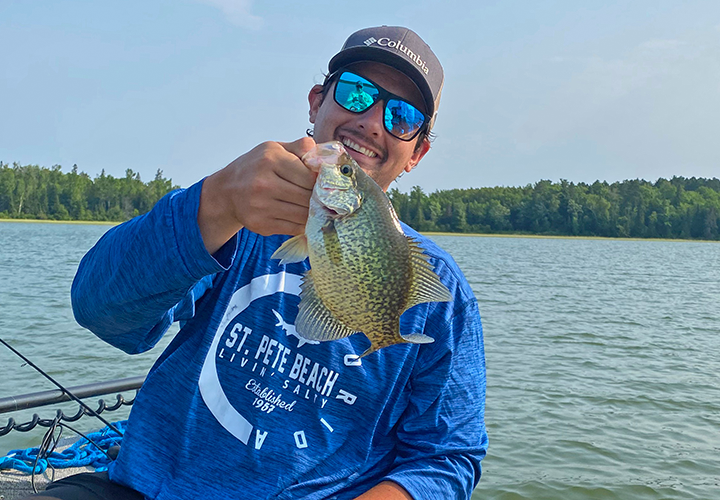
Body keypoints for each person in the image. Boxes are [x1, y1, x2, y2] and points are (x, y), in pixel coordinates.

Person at [29, 25, 487, 500]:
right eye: (356, 92)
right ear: (316, 103)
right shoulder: (234, 212)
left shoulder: (439, 289)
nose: (373, 122)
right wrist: (216, 204)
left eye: (402, 115)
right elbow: (102, 312)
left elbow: (447, 456)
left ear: (418, 152)